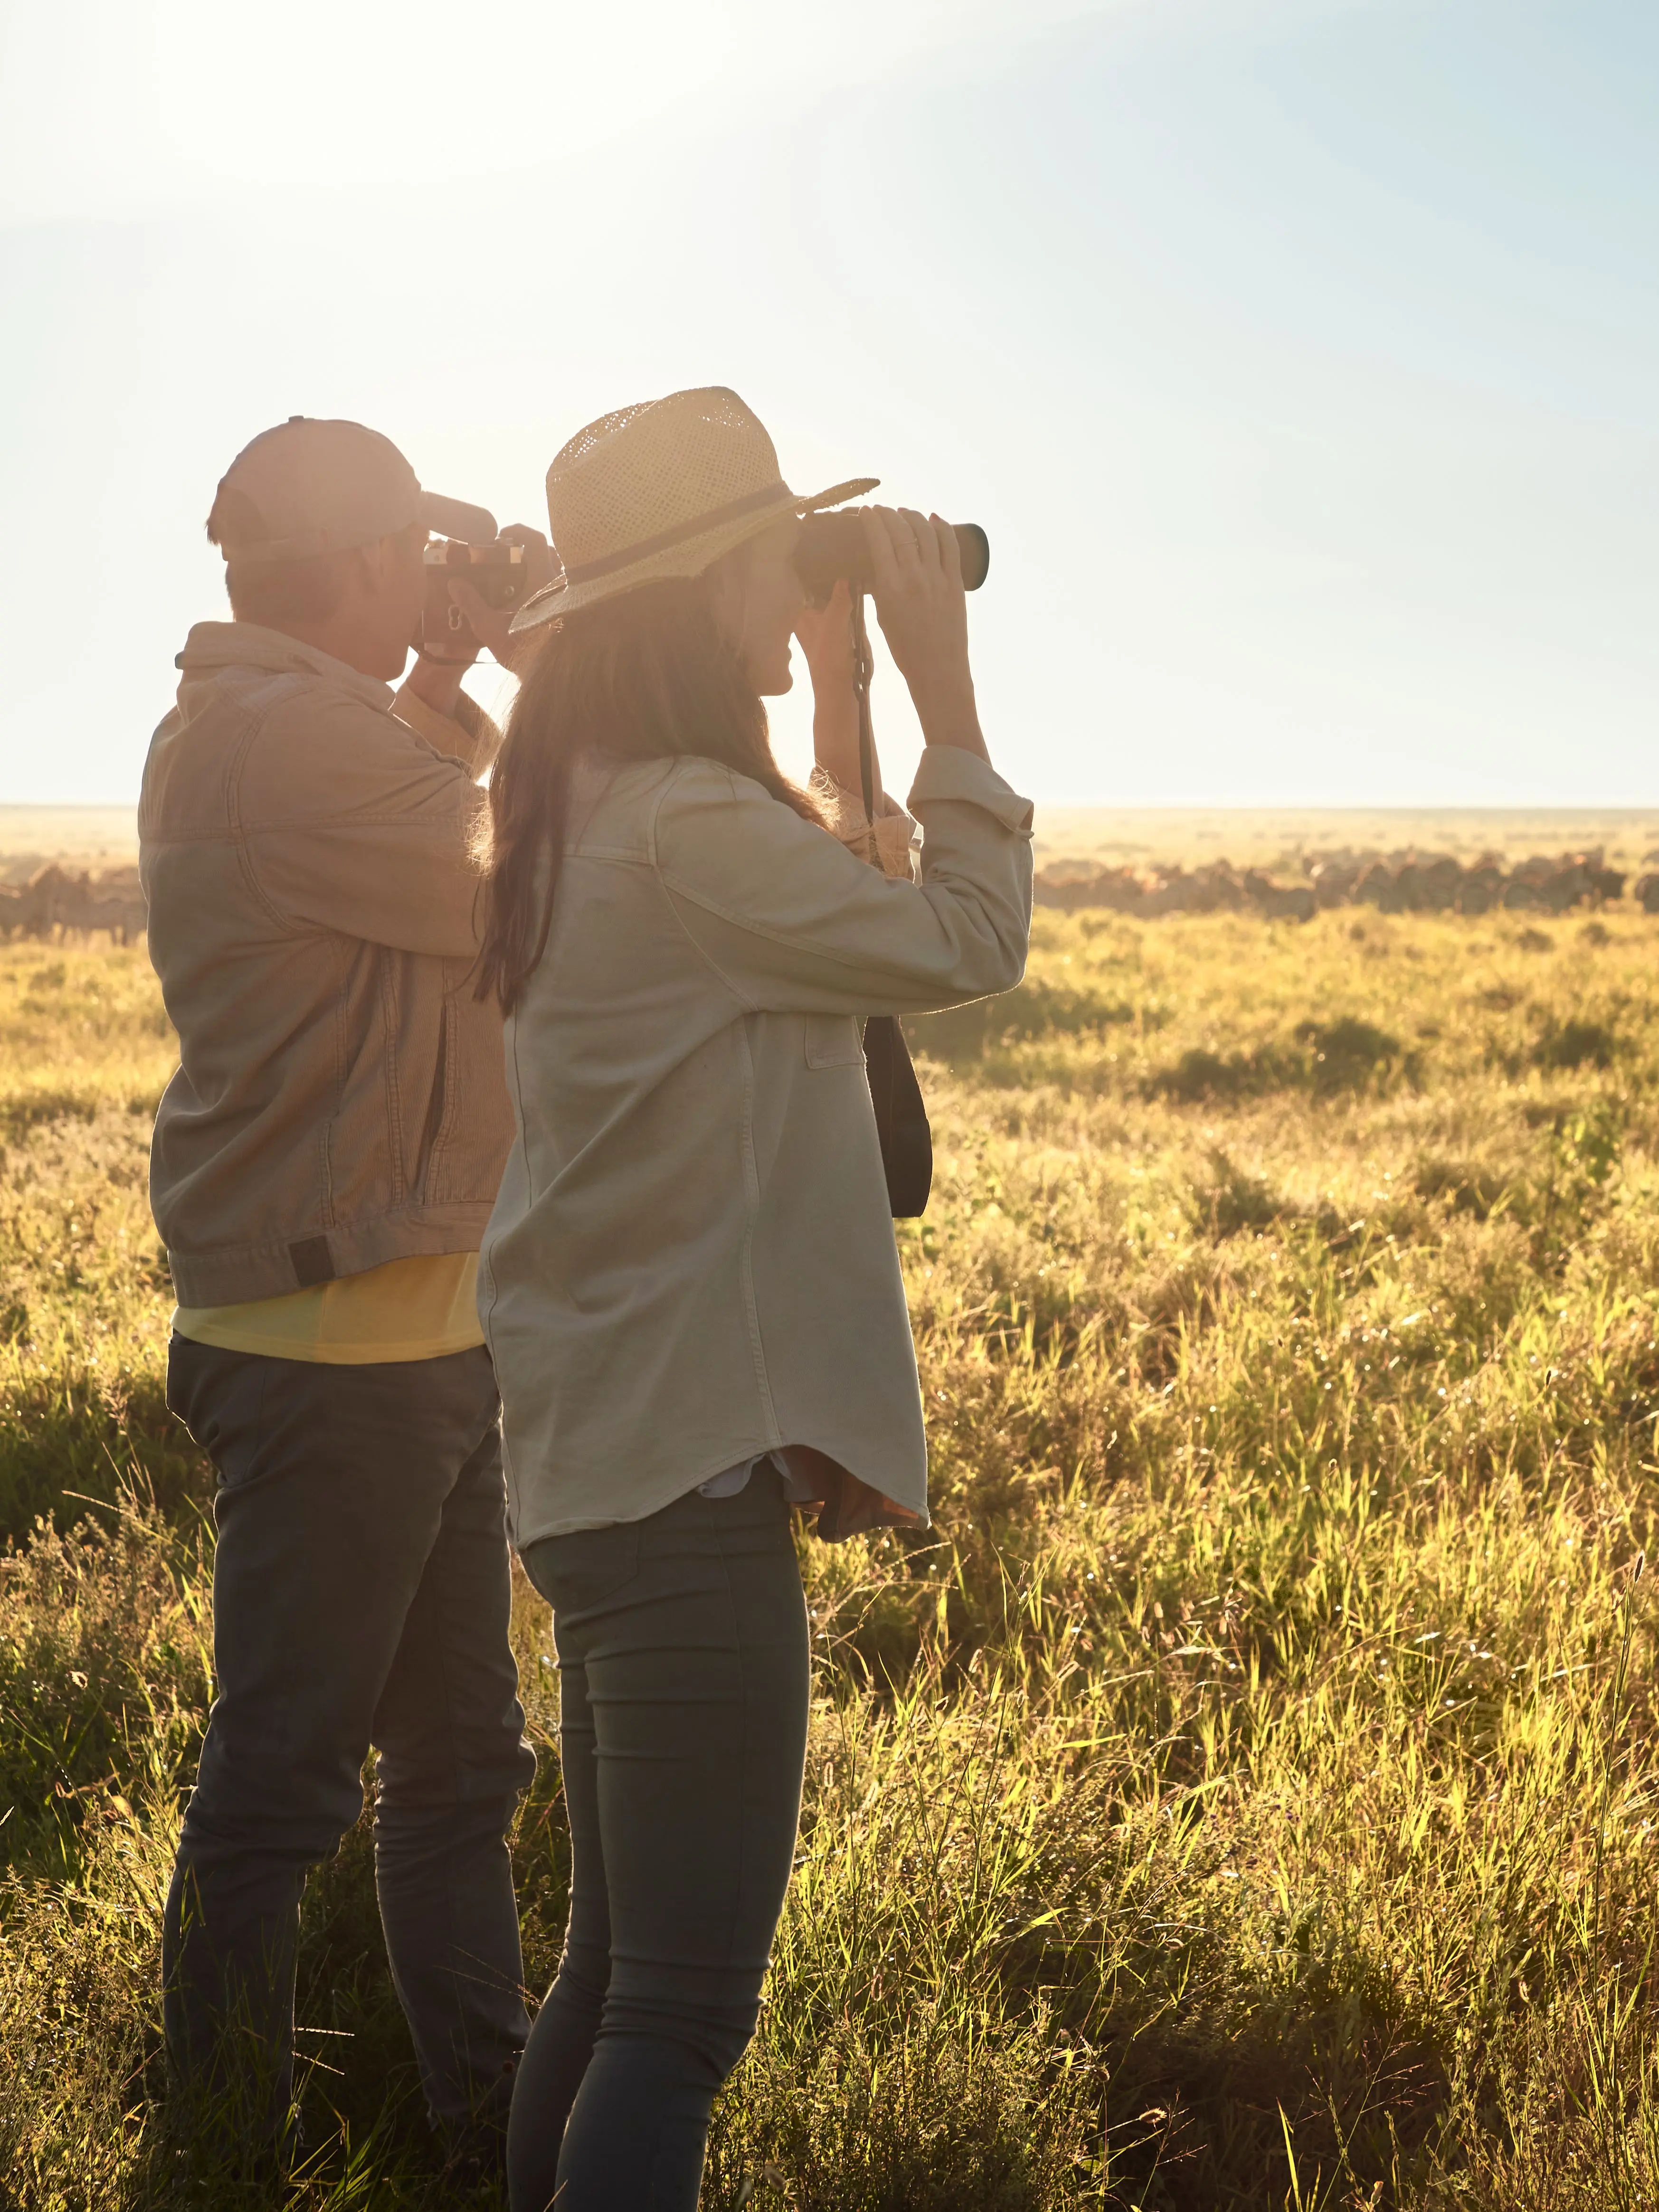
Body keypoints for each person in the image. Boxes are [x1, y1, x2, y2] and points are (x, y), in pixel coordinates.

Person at [474, 386, 1033, 2212]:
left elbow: (832, 899)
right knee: (685, 2015)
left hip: (610, 1453)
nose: (783, 602)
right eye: (770, 567)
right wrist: (946, 687)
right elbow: (956, 940)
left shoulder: (594, 809)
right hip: (685, 1474)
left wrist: (851, 680)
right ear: (709, 589)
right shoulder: (685, 832)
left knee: (616, 1978)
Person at [139, 416, 546, 2168]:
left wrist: (453, 669)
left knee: (458, 1773)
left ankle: (486, 2122)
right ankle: (223, 2152)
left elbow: (444, 838)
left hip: (416, 1331)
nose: (439, 570)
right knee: (286, 1795)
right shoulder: (279, 737)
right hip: (334, 1353)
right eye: (420, 547)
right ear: (366, 561)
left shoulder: (308, 723)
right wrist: (559, 660)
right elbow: (531, 879)